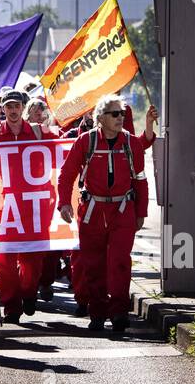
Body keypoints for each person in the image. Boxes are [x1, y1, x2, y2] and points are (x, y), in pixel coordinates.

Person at [57, 96, 158, 336]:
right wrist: (63, 203)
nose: (120, 117)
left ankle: (119, 313)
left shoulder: (131, 144)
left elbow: (141, 180)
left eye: (122, 113)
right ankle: (98, 313)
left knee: (120, 263)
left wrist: (141, 212)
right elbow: (67, 174)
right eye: (115, 114)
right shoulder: (85, 141)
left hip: (123, 211)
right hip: (92, 211)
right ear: (100, 118)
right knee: (93, 264)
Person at [0, 90, 48, 322]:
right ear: (2, 109)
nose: (12, 110)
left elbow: (54, 158)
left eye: (16, 106)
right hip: (4, 206)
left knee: (33, 258)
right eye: (8, 106)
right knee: (5, 260)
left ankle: (29, 293)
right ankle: (12, 306)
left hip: (32, 204)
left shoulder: (35, 131)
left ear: (23, 107)